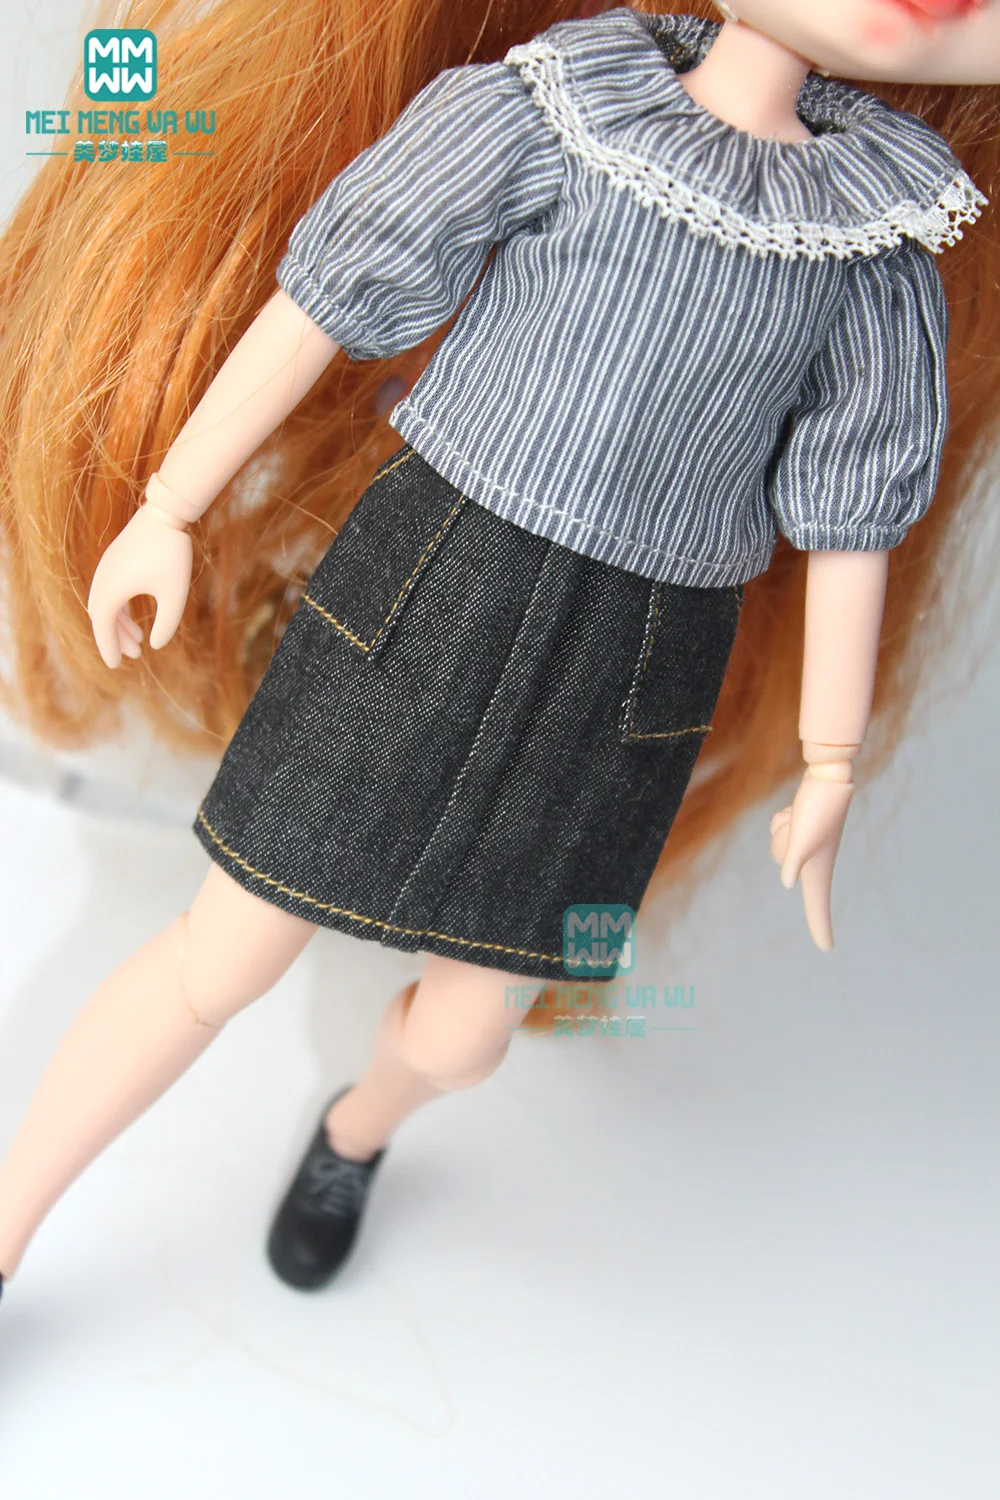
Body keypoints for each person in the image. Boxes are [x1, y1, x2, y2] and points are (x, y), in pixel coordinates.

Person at [0, 0, 997, 1304]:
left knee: (469, 1036)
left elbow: (850, 519)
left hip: (636, 661)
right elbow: (326, 298)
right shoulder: (556, 108)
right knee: (226, 948)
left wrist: (829, 763)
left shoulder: (872, 246)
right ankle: (9, 1230)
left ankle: (357, 1131)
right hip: (439, 579)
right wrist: (169, 507)